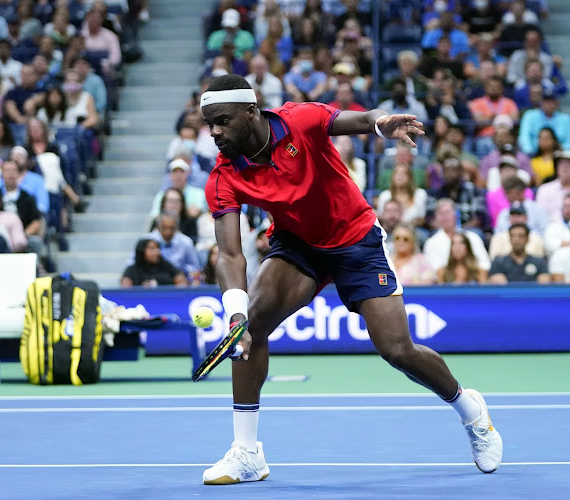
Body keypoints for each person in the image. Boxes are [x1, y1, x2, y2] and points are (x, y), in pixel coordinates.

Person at [198, 75, 502, 485]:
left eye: (222, 121)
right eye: (209, 124)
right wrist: (234, 316)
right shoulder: (223, 176)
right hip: (298, 246)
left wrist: (382, 124)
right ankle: (247, 453)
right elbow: (231, 254)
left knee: (397, 350)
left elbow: (361, 120)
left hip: (355, 239)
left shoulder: (299, 120)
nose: (215, 132)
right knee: (250, 329)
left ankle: (471, 411)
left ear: (251, 112)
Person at [120, 238, 188, 288]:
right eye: (152, 248)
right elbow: (126, 289)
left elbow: (181, 282)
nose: (157, 252)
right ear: (142, 251)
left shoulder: (167, 266)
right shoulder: (132, 270)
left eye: (158, 248)